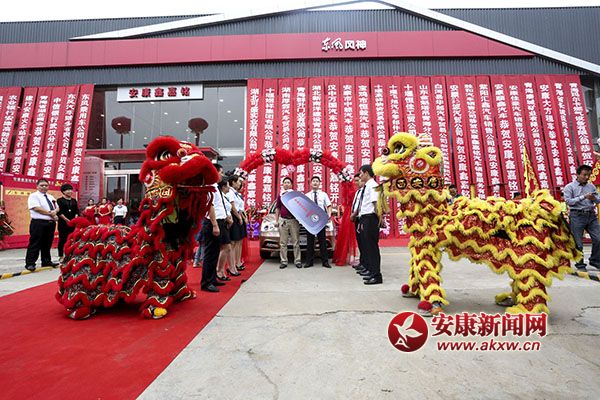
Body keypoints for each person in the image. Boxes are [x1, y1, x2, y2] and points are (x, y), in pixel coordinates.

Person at [563, 164, 600, 271]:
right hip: (577, 215)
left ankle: (595, 260)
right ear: (578, 174)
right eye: (584, 175)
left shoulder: (591, 186)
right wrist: (583, 197)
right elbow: (569, 201)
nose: (586, 177)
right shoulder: (569, 187)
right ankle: (580, 264)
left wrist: (593, 198)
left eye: (588, 175)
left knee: (598, 238)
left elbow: (598, 200)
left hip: (591, 215)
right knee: (578, 242)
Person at [24, 179, 59, 271]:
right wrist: (50, 213)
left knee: (47, 243)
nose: (44, 187)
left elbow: (57, 207)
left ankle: (46, 261)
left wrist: (55, 212)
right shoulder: (34, 196)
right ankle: (30, 263)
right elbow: (36, 208)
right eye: (42, 185)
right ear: (37, 186)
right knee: (35, 243)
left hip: (50, 223)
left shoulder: (50, 197)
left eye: (46, 185)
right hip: (38, 223)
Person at [201, 163, 225, 293]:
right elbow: (210, 206)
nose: (222, 175)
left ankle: (212, 278)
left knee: (215, 252)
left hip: (218, 222)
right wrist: (215, 225)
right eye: (221, 172)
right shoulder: (209, 187)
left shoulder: (216, 186)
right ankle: (206, 282)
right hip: (211, 223)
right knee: (210, 254)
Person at [356, 165, 382, 285]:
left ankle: (376, 275)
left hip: (371, 218)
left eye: (361, 173)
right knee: (367, 246)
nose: (360, 176)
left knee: (372, 247)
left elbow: (376, 204)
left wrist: (380, 218)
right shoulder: (367, 186)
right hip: (365, 218)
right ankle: (371, 271)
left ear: (366, 173)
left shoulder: (373, 186)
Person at [302, 176, 332, 268]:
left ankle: (325, 262)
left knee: (322, 241)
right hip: (310, 221)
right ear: (310, 184)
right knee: (310, 241)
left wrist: (328, 215)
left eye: (317, 181)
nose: (315, 183)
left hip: (321, 221)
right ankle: (309, 262)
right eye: (313, 181)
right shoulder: (306, 195)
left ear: (319, 183)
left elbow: (328, 206)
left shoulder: (323, 194)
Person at [275, 176, 301, 269]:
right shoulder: (280, 195)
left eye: (288, 182)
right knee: (283, 243)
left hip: (294, 220)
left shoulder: (295, 195)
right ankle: (284, 261)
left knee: (296, 242)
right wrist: (276, 220)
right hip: (283, 220)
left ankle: (297, 260)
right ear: (283, 184)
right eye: (285, 182)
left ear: (291, 184)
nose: (286, 184)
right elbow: (278, 208)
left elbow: (300, 207)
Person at [216, 178, 237, 280]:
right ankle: (219, 270)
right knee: (226, 247)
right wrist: (229, 219)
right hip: (222, 222)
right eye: (228, 185)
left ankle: (221, 270)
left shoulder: (224, 196)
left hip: (226, 223)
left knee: (227, 247)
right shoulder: (220, 196)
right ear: (223, 187)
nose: (229, 187)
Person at [227, 175, 247, 272]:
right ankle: (232, 264)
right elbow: (233, 207)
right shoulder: (230, 193)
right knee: (233, 242)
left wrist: (243, 217)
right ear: (233, 182)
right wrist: (239, 217)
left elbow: (240, 208)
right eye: (238, 181)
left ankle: (237, 262)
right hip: (234, 217)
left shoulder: (236, 193)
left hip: (238, 216)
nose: (240, 184)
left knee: (239, 241)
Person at [56, 183, 79, 261]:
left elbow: (76, 211)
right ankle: (61, 255)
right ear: (63, 191)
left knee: (72, 239)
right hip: (63, 223)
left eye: (71, 190)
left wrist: (75, 218)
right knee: (62, 239)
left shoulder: (74, 201)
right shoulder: (59, 200)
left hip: (73, 223)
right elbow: (59, 212)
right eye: (67, 190)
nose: (70, 191)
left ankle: (70, 254)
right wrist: (67, 220)